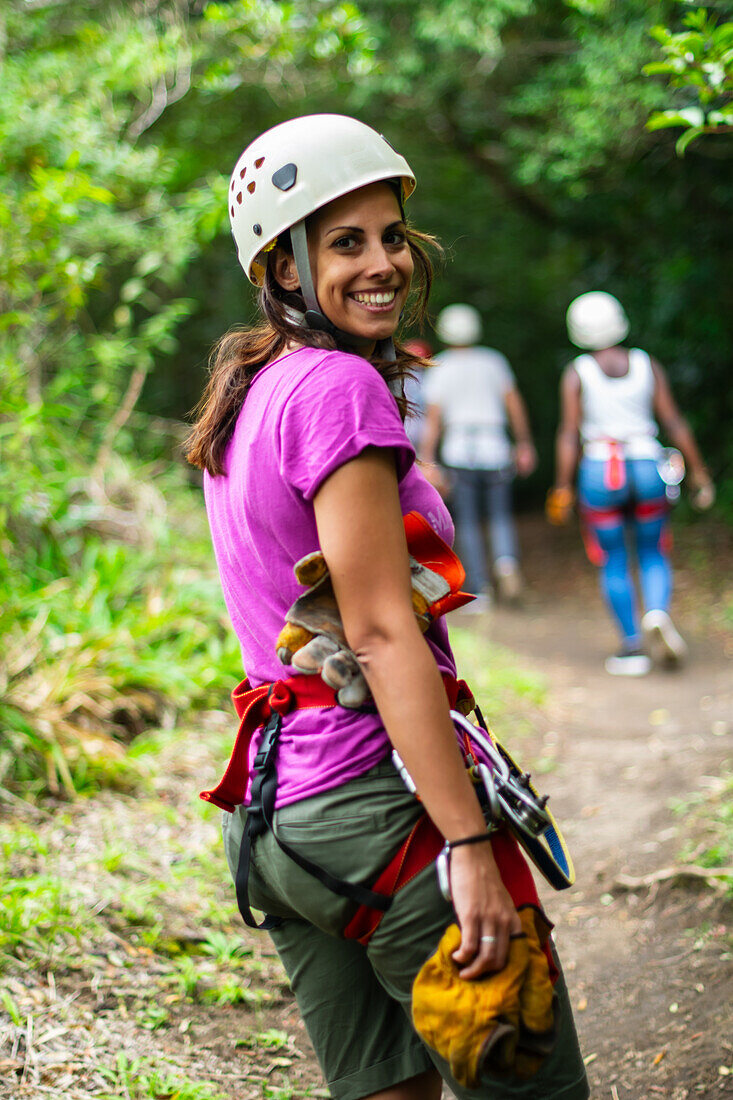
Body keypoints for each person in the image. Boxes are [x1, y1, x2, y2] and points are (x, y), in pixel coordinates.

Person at [186, 114, 588, 1100]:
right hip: (376, 810)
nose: (384, 263)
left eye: (390, 236)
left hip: (276, 818)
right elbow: (374, 630)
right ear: (280, 266)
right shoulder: (336, 391)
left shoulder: (248, 389)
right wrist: (466, 843)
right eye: (344, 242)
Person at [547, 291, 715, 676]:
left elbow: (569, 434)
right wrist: (699, 473)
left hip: (601, 470)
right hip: (647, 465)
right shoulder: (645, 363)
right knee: (653, 550)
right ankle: (656, 612)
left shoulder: (578, 372)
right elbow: (673, 421)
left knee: (613, 558)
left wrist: (562, 486)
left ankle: (632, 647)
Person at [419, 305, 537, 607]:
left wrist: (426, 458)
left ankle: (480, 587)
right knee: (500, 515)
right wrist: (524, 443)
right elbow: (514, 404)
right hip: (495, 446)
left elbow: (433, 419)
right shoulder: (493, 361)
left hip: (459, 449)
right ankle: (506, 562)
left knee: (468, 520)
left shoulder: (440, 366)